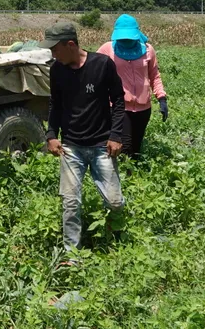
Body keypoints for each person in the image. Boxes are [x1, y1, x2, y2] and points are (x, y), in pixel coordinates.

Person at [40, 22, 126, 260]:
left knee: (114, 201)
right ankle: (72, 256)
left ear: (70, 44)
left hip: (101, 146)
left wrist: (115, 135)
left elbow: (119, 100)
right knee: (70, 204)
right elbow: (55, 104)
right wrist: (51, 135)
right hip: (71, 148)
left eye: (55, 49)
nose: (52, 54)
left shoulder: (102, 65)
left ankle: (116, 234)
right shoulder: (57, 70)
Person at [96, 14, 168, 160]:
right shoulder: (107, 49)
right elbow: (93, 70)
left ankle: (134, 178)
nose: (126, 40)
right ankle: (124, 178)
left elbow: (154, 75)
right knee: (125, 146)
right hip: (119, 107)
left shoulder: (148, 50)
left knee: (136, 147)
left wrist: (161, 98)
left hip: (143, 108)